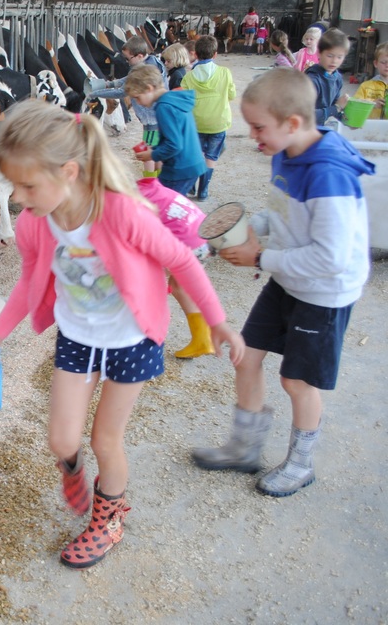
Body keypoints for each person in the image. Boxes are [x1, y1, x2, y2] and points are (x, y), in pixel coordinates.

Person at [0, 99, 244, 568]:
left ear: (69, 172)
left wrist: (216, 321)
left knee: (105, 441)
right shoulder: (37, 224)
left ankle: (108, 520)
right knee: (61, 441)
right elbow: (30, 282)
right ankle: (73, 473)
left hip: (131, 341)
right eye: (14, 184)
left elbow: (178, 260)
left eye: (27, 184)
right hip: (78, 338)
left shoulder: (119, 213)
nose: (16, 197)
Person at [192, 67, 372, 497]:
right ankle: (245, 448)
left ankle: (301, 463)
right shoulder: (285, 153)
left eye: (258, 127)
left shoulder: (329, 175)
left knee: (297, 381)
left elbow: (331, 257)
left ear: (292, 123)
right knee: (245, 355)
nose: (252, 136)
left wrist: (260, 256)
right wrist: (248, 226)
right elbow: (282, 213)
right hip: (289, 279)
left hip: (324, 292)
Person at [137, 177, 215, 358]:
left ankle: (148, 337)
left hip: (189, 244)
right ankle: (202, 339)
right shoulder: (149, 188)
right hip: (203, 236)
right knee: (179, 286)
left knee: (149, 281)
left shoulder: (131, 201)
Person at [125, 63, 207, 197]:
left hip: (179, 168)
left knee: (163, 208)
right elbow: (173, 137)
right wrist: (155, 148)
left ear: (149, 88)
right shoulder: (174, 100)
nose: (138, 103)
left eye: (137, 97)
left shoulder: (164, 108)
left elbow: (174, 145)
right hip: (191, 163)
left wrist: (152, 155)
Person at [93, 36, 167, 177]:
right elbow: (128, 79)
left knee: (149, 150)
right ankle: (159, 178)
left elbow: (122, 91)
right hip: (157, 116)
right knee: (157, 147)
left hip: (151, 118)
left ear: (139, 56)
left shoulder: (145, 70)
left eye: (128, 59)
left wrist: (95, 93)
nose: (126, 62)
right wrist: (108, 84)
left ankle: (151, 181)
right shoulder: (150, 62)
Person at [181, 35, 237, 201]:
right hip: (218, 123)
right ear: (215, 55)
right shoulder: (225, 73)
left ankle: (191, 184)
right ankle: (203, 191)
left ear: (195, 55)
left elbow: (184, 101)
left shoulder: (188, 77)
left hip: (196, 123)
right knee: (211, 157)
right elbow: (232, 95)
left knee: (195, 154)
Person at [304, 28, 350, 126]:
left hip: (321, 127)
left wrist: (345, 119)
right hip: (305, 130)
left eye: (339, 57)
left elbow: (334, 104)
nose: (334, 61)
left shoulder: (337, 77)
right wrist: (336, 107)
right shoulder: (312, 80)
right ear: (319, 53)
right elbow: (306, 115)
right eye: (330, 55)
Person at [354, 41, 388, 120]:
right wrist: (372, 103)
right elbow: (355, 104)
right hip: (371, 128)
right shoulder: (366, 86)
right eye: (383, 62)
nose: (387, 65)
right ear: (376, 63)